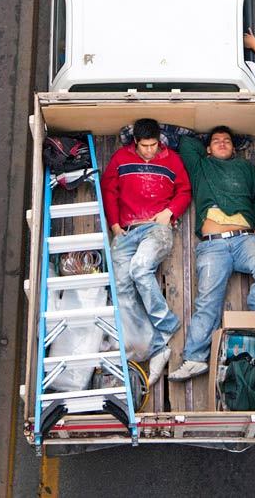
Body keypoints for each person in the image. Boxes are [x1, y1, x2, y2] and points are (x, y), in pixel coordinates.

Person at [169, 126, 255, 381]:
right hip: (213, 245)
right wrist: (206, 136)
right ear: (208, 148)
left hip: (244, 239)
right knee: (207, 301)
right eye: (216, 141)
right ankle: (195, 359)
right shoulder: (201, 167)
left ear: (234, 148)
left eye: (227, 140)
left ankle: (251, 325)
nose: (223, 143)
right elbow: (186, 145)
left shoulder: (246, 169)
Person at [101, 118, 192, 385]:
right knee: (121, 286)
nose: (150, 151)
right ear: (135, 143)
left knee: (140, 268)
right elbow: (109, 189)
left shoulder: (172, 159)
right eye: (145, 146)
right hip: (127, 229)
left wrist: (170, 211)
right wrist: (115, 226)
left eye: (154, 145)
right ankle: (148, 342)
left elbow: (184, 190)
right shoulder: (120, 158)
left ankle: (166, 324)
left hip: (156, 228)